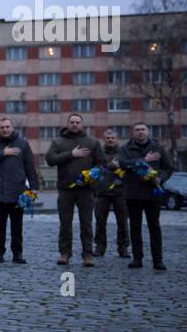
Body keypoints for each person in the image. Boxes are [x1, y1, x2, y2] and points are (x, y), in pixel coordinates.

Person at [45, 112, 106, 267]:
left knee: (86, 223)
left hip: (86, 189)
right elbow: (50, 160)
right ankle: (65, 253)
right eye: (72, 122)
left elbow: (102, 164)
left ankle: (88, 255)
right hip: (65, 189)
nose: (74, 124)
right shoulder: (58, 142)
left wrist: (93, 174)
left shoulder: (92, 142)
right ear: (67, 124)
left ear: (82, 124)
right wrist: (71, 154)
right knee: (65, 222)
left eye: (77, 122)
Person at [0, 116, 38, 264]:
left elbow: (30, 167)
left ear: (12, 127)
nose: (5, 129)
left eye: (7, 127)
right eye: (2, 127)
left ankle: (17, 254)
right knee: (0, 225)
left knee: (17, 226)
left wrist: (34, 187)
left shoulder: (23, 144)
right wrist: (3, 153)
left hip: (18, 192)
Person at [118, 122, 173, 271]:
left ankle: (158, 260)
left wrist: (160, 179)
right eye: (137, 130)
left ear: (148, 132)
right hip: (133, 193)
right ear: (133, 133)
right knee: (135, 227)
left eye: (143, 130)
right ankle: (137, 259)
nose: (140, 132)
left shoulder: (158, 148)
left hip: (152, 193)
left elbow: (168, 168)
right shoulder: (125, 148)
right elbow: (122, 163)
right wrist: (144, 160)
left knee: (154, 226)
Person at [93, 128, 130, 259]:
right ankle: (99, 247)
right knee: (100, 222)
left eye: (112, 138)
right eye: (108, 138)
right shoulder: (98, 153)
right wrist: (110, 166)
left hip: (120, 192)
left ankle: (123, 248)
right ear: (104, 139)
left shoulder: (124, 153)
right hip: (101, 192)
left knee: (123, 223)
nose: (110, 140)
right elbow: (93, 169)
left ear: (117, 139)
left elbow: (129, 168)